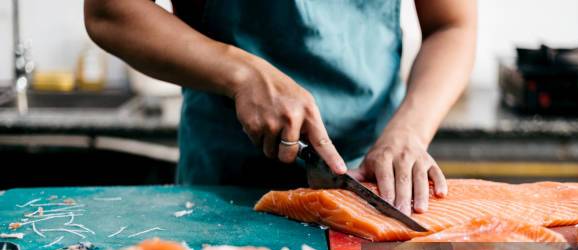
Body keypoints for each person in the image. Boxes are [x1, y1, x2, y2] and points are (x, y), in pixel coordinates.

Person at [84, 0, 476, 214]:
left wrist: (408, 131)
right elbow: (110, 11)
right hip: (223, 185)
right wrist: (241, 73)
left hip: (374, 183)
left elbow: (452, 25)